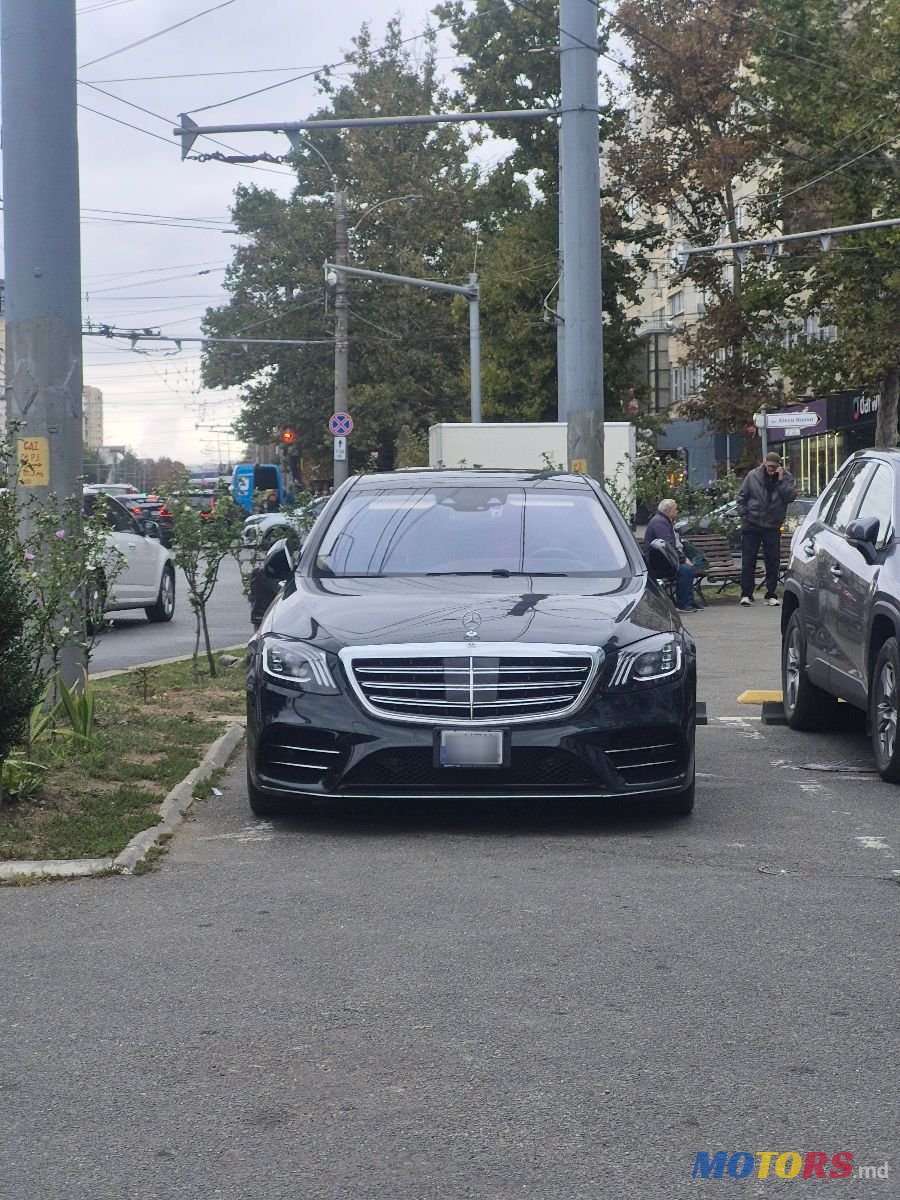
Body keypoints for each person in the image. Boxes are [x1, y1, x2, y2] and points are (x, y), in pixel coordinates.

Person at [736, 450, 796, 607]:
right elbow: (741, 497)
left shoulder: (786, 477)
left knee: (772, 561)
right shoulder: (753, 476)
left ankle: (771, 594)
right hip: (752, 523)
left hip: (773, 525)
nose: (770, 469)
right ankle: (746, 594)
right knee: (748, 560)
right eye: (768, 466)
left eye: (774, 467)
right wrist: (745, 515)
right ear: (764, 463)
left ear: (779, 466)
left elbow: (790, 498)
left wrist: (781, 480)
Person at [644, 499, 699, 613]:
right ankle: (683, 604)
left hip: (662, 561)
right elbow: (667, 546)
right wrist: (683, 560)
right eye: (675, 509)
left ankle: (689, 602)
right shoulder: (660, 522)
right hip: (658, 564)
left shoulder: (662, 520)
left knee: (688, 569)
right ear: (668, 511)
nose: (677, 511)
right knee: (686, 570)